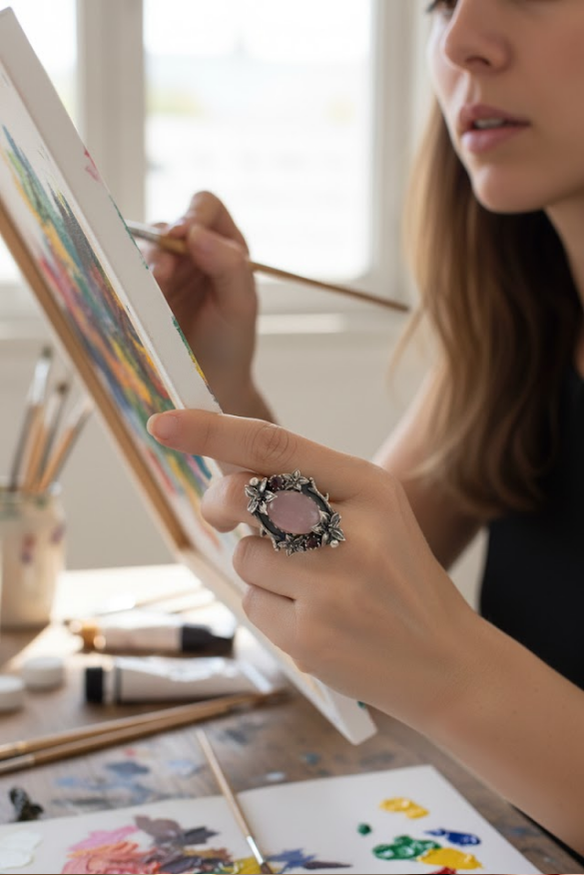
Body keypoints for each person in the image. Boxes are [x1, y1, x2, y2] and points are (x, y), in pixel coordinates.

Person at [144, 0, 584, 859]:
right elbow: (340, 602)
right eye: (441, 2)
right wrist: (220, 383)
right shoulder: (516, 339)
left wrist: (453, 671)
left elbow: (408, 641)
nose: (459, 42)